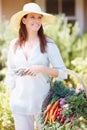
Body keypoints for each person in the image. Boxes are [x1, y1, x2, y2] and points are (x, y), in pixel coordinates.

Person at [5, 2, 67, 130]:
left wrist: (41, 68)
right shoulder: (14, 45)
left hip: (43, 105)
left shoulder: (49, 44)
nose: (37, 21)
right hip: (20, 105)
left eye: (39, 17)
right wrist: (12, 98)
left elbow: (63, 72)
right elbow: (11, 74)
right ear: (24, 20)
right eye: (32, 17)